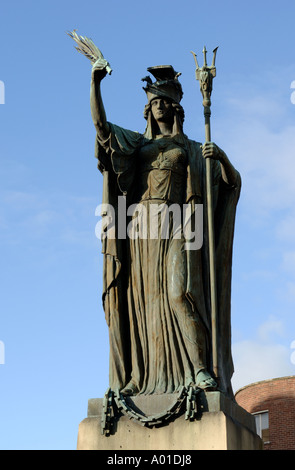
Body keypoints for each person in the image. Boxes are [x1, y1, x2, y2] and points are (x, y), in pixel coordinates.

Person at [90, 59, 241, 397]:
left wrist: (223, 159)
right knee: (142, 302)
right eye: (153, 102)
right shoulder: (136, 146)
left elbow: (230, 185)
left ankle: (199, 367)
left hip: (180, 224)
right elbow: (100, 128)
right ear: (148, 109)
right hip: (141, 229)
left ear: (174, 107)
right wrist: (95, 83)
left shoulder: (190, 149)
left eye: (164, 101)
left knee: (179, 292)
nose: (158, 107)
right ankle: (140, 377)